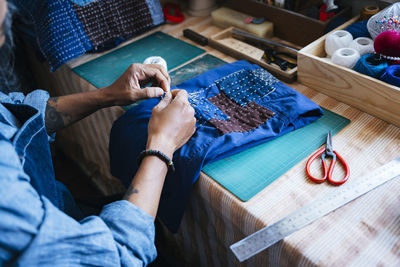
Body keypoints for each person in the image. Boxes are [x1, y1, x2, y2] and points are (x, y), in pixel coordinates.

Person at [0, 0, 196, 265]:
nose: (4, 42)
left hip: (61, 210)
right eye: (1, 32)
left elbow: (17, 114)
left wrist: (108, 95)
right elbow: (114, 256)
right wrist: (162, 146)